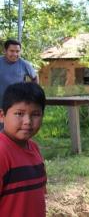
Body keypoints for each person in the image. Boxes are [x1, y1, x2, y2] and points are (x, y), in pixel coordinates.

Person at [0, 82, 47, 217]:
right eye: (19, 113)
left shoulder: (34, 149)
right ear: (2, 116)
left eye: (36, 114)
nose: (28, 121)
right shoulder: (2, 152)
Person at [0, 39, 39, 112]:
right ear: (5, 51)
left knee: (12, 122)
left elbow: (35, 77)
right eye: (12, 51)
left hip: (16, 103)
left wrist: (33, 93)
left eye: (17, 51)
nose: (15, 54)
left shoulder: (24, 64)